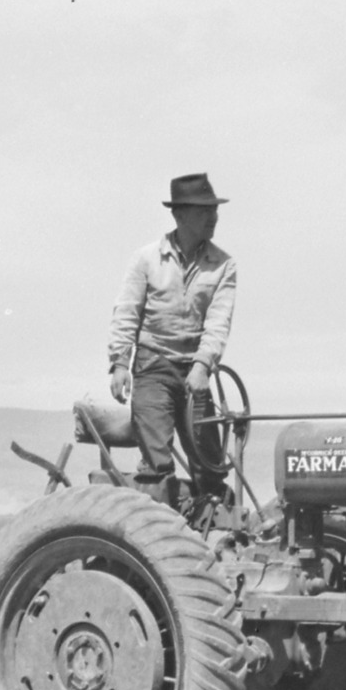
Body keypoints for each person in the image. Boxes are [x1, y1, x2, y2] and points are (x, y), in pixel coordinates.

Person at [107, 172, 238, 508]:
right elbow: (126, 312)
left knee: (208, 459)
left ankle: (210, 523)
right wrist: (120, 363)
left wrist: (202, 365)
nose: (213, 218)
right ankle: (156, 530)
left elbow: (218, 322)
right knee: (156, 461)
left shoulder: (223, 265)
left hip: (195, 368)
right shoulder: (146, 259)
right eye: (203, 211)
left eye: (214, 210)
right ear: (179, 215)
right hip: (153, 365)